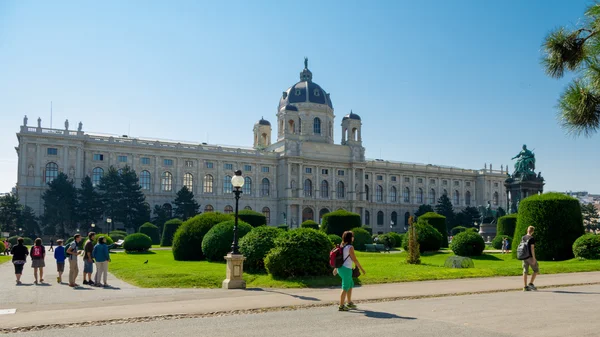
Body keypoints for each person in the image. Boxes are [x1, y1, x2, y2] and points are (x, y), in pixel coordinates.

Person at [336, 231, 366, 311]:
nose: (353, 238)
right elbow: (355, 260)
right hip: (346, 269)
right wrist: (362, 269)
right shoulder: (350, 247)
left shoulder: (342, 245)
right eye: (352, 236)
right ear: (350, 238)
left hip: (341, 268)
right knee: (345, 287)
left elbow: (339, 258)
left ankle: (349, 302)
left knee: (350, 284)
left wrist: (335, 269)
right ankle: (341, 306)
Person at [522, 226, 539, 291]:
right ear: (532, 231)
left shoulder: (523, 237)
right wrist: (534, 258)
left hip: (524, 256)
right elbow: (532, 249)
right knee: (536, 270)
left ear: (527, 230)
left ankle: (525, 286)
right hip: (530, 257)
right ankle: (531, 283)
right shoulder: (532, 238)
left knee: (525, 271)